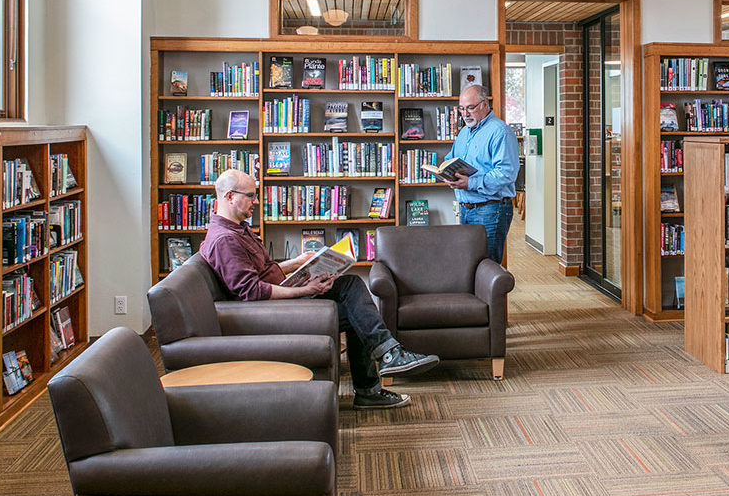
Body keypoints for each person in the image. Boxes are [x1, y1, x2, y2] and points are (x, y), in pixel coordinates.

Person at [199, 169, 437, 409]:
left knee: (356, 302)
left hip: (274, 302)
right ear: (229, 196)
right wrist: (304, 289)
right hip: (266, 315)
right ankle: (384, 363)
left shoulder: (238, 229)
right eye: (251, 196)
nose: (257, 201)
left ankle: (373, 383)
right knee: (354, 298)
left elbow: (261, 273)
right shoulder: (225, 240)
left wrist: (297, 263)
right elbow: (251, 292)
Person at [442, 85, 519, 263]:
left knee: (487, 267)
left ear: (485, 105)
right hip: (466, 209)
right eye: (461, 108)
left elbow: (506, 173)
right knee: (469, 266)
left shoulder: (500, 132)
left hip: (491, 209)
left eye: (470, 108)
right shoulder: (464, 132)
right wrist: (447, 174)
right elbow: (451, 158)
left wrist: (470, 183)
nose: (465, 114)